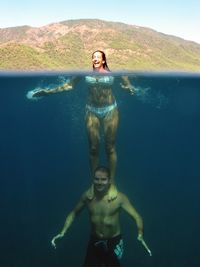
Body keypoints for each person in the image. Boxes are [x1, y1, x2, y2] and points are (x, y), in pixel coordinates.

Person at [27, 50, 136, 199]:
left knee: (110, 147)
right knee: (93, 148)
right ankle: (94, 183)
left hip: (111, 110)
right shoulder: (84, 72)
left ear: (104, 60)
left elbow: (130, 87)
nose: (96, 59)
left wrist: (129, 89)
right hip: (91, 110)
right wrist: (48, 92)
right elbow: (69, 85)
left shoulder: (115, 71)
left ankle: (112, 183)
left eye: (99, 57)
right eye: (93, 57)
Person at [51, 166, 152, 267]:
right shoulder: (87, 197)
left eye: (103, 179)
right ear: (93, 179)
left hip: (114, 241)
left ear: (109, 180)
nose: (99, 182)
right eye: (97, 179)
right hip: (94, 240)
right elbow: (73, 213)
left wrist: (140, 233)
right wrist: (63, 231)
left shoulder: (119, 198)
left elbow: (136, 216)